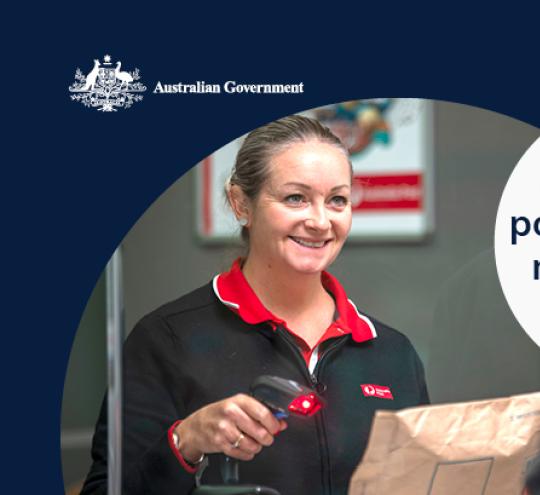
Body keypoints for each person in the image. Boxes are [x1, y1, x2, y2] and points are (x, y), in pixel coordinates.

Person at [80, 115, 429, 495]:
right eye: (295, 198)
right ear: (240, 204)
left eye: (337, 200)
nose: (320, 220)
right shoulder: (165, 340)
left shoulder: (392, 352)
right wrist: (186, 440)